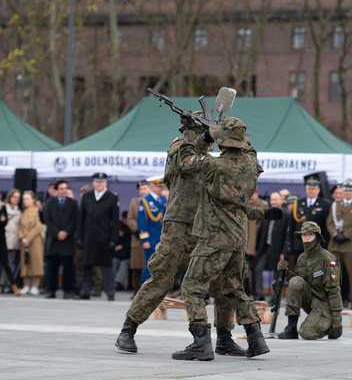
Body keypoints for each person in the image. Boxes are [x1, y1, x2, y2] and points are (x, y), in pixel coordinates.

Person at [116, 114, 277, 357]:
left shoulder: (215, 159)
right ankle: (129, 329)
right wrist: (207, 136)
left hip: (211, 228)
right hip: (181, 224)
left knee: (226, 284)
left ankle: (224, 336)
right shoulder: (180, 147)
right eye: (203, 131)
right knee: (163, 276)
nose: (211, 137)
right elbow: (185, 163)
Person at [172, 117, 269, 361]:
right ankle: (255, 338)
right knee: (235, 288)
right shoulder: (251, 164)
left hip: (214, 237)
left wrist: (204, 136)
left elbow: (185, 161)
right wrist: (229, 130)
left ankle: (200, 342)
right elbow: (251, 149)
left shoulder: (213, 165)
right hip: (238, 237)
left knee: (192, 287)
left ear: (223, 142)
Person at [277, 221, 342, 340]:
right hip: (311, 300)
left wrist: (337, 322)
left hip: (324, 304)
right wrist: (285, 272)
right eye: (304, 235)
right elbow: (298, 283)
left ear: (317, 237)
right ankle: (291, 328)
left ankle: (328, 323)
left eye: (310, 235)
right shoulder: (302, 257)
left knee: (307, 333)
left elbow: (334, 291)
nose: (306, 238)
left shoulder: (327, 258)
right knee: (295, 281)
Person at [77, 173, 119, 301]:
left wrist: (113, 239)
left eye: (102, 182)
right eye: (97, 182)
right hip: (89, 237)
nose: (99, 184)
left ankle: (110, 291)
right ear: (93, 183)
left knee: (107, 266)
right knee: (87, 265)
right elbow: (81, 219)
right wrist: (79, 237)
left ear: (105, 183)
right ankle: (86, 290)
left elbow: (115, 221)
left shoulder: (112, 198)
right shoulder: (86, 197)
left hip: (105, 238)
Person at [327, 179, 352, 309]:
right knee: (334, 274)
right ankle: (335, 299)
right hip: (335, 244)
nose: (348, 192)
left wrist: (346, 235)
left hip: (351, 244)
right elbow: (329, 223)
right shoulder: (335, 204)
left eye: (350, 190)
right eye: (346, 190)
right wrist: (334, 234)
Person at [43, 180, 79, 299]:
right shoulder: (49, 203)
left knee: (68, 268)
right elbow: (47, 220)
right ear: (56, 190)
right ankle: (50, 290)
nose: (63, 190)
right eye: (61, 188)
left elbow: (75, 221)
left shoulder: (73, 203)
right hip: (53, 240)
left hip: (68, 241)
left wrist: (66, 232)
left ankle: (68, 290)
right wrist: (57, 233)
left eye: (65, 188)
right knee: (51, 267)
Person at [287, 177, 331, 271]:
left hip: (317, 245)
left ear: (318, 190)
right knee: (300, 271)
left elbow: (327, 227)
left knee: (316, 272)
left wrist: (325, 244)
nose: (311, 191)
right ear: (305, 190)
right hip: (300, 244)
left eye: (314, 189)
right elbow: (292, 226)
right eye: (309, 189)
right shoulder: (297, 203)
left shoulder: (325, 204)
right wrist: (290, 243)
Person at [253, 191, 289, 300]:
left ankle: (275, 297)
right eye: (272, 199)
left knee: (276, 274)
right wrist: (256, 248)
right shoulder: (267, 213)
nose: (273, 202)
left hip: (278, 250)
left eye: (276, 199)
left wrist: (283, 252)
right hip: (265, 249)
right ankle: (259, 296)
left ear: (281, 201)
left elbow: (287, 236)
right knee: (258, 268)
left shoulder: (286, 215)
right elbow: (261, 232)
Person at [137, 176, 167, 285]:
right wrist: (145, 240)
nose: (161, 189)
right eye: (158, 187)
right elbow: (141, 223)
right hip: (151, 238)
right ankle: (144, 289)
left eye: (161, 187)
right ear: (152, 187)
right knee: (150, 264)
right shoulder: (146, 201)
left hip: (162, 238)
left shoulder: (163, 200)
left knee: (161, 265)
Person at [19, 191, 44, 295]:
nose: (25, 201)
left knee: (35, 263)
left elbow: (39, 226)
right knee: (25, 264)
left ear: (33, 200)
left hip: (35, 241)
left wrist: (28, 238)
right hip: (24, 242)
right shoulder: (23, 211)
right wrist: (22, 237)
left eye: (28, 198)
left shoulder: (37, 210)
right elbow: (19, 226)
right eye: (24, 199)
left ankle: (35, 286)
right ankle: (26, 285)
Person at [246, 191, 268, 297]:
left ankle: (258, 294)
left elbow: (264, 229)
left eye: (253, 193)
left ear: (257, 193)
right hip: (247, 246)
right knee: (247, 271)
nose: (251, 196)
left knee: (258, 270)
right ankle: (250, 292)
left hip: (260, 245)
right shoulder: (246, 205)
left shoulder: (263, 206)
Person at [126, 180, 147, 291]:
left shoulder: (154, 201)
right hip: (137, 238)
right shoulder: (134, 201)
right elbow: (130, 219)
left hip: (151, 237)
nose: (142, 191)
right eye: (140, 189)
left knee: (149, 264)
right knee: (136, 265)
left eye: (144, 188)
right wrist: (138, 229)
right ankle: (136, 290)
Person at [4, 189, 22, 293]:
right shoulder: (3, 208)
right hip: (4, 239)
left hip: (14, 240)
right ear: (9, 197)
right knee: (5, 264)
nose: (16, 199)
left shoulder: (19, 211)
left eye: (17, 198)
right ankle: (4, 284)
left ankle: (10, 284)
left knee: (12, 264)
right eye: (14, 197)